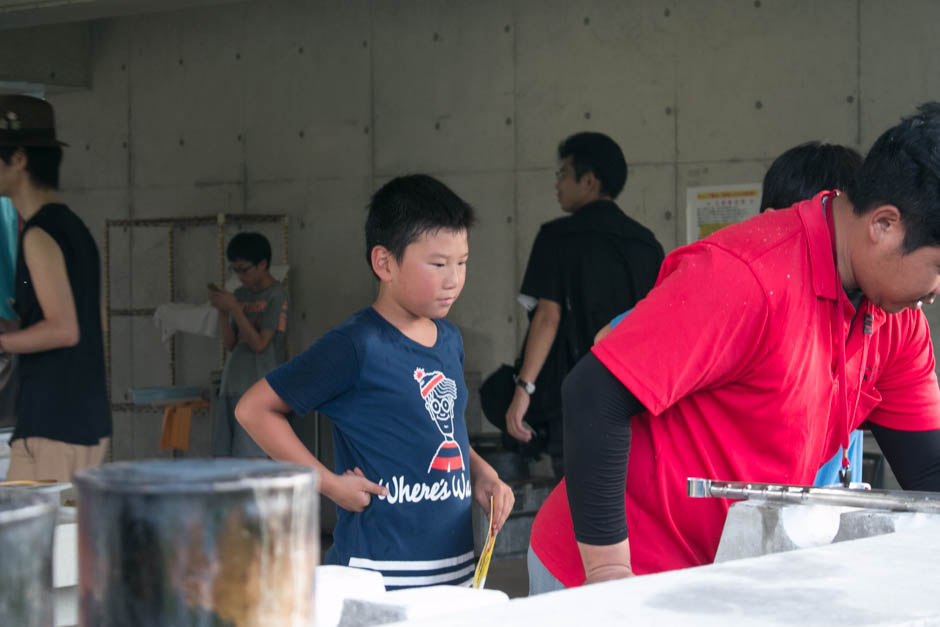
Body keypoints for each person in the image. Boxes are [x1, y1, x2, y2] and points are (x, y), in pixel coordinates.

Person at [530, 103, 940, 591]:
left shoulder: (897, 319)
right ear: (884, 225)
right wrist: (610, 577)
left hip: (726, 572)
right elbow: (594, 394)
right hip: (611, 564)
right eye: (937, 266)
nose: (936, 290)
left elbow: (927, 469)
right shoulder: (748, 276)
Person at [235, 174, 514, 589]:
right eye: (438, 264)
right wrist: (329, 485)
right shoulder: (356, 345)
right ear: (384, 262)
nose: (453, 279)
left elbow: (440, 432)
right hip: (378, 577)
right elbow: (254, 409)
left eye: (463, 262)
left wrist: (482, 472)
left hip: (456, 572)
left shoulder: (450, 339)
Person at [497, 131, 664, 478]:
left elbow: (548, 316)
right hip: (637, 399)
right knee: (630, 500)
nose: (557, 184)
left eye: (562, 174)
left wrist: (523, 390)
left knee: (578, 504)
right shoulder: (647, 244)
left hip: (574, 398)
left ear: (588, 181)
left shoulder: (557, 237)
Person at [0, 95, 111, 482]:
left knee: (35, 541)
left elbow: (64, 329)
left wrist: (4, 342)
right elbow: (93, 322)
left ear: (18, 159)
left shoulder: (39, 233)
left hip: (56, 425)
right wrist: (12, 330)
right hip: (73, 421)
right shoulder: (73, 228)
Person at [208, 231, 288, 457]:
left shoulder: (277, 295)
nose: (239, 276)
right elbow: (231, 343)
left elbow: (260, 344)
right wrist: (223, 312)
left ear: (262, 264)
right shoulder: (240, 294)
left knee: (250, 457)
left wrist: (234, 308)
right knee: (223, 455)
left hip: (259, 387)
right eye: (235, 269)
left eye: (243, 269)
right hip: (232, 382)